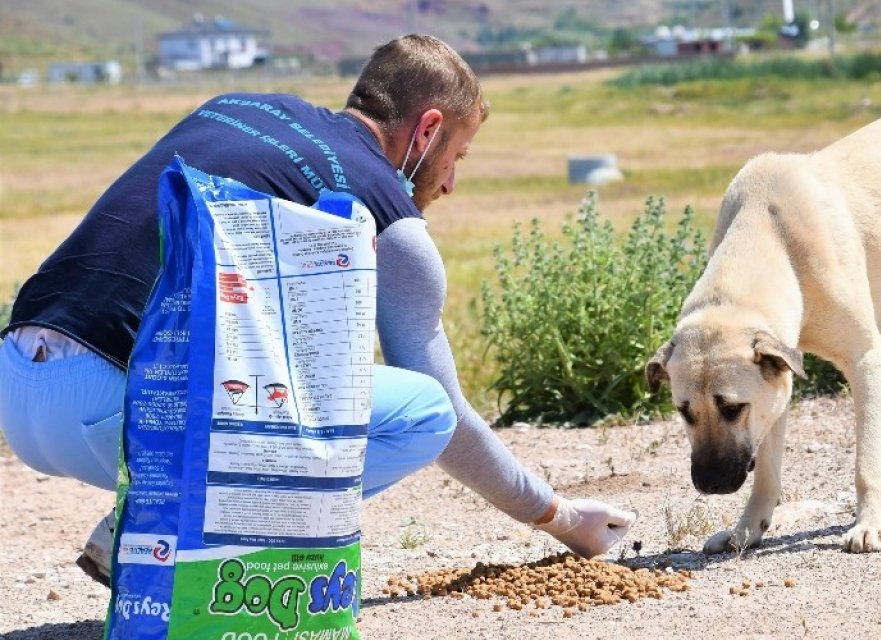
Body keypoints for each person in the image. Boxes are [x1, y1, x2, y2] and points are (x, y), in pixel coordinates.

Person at [0, 34, 635, 586]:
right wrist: (559, 516)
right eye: (457, 157)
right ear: (429, 129)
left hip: (19, 382)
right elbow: (450, 414)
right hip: (115, 410)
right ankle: (169, 533)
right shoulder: (384, 207)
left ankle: (143, 519)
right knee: (422, 412)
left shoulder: (237, 107)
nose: (449, 184)